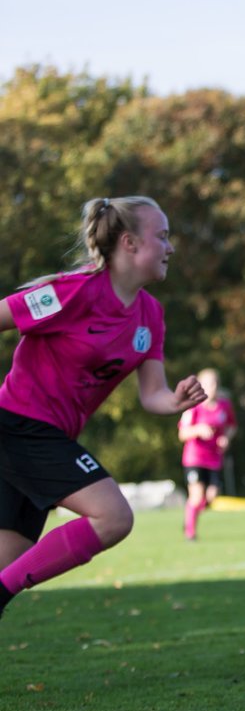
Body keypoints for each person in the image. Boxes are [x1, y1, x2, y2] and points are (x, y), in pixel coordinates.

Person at [0, 196, 206, 620]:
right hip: (17, 426)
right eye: (162, 237)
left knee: (8, 560)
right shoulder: (70, 292)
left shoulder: (150, 314)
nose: (170, 247)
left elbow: (153, 395)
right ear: (129, 243)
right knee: (113, 517)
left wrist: (177, 402)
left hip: (51, 439)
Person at [177, 368, 236, 540]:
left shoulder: (224, 405)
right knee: (196, 497)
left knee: (211, 497)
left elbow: (232, 426)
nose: (213, 387)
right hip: (194, 458)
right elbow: (182, 434)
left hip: (214, 458)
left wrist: (226, 438)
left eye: (215, 383)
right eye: (209, 383)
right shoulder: (193, 406)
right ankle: (190, 531)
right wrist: (198, 430)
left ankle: (191, 514)